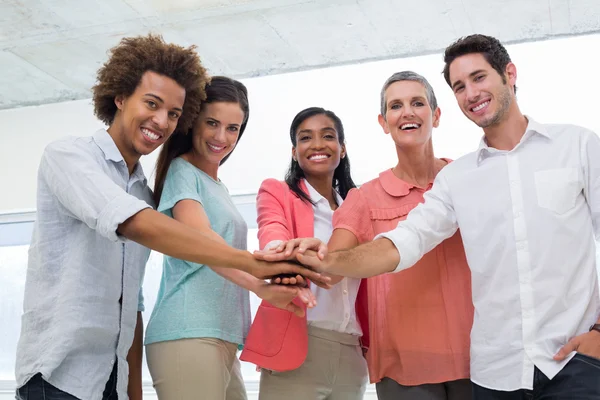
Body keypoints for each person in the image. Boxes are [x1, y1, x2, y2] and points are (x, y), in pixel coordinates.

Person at [259, 34, 600, 399]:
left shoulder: (577, 146)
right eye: (459, 86)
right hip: (495, 373)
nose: (471, 93)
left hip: (573, 365)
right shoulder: (457, 180)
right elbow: (403, 242)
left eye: (479, 78)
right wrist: (323, 257)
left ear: (509, 74)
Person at [15, 35, 329, 400]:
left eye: (174, 113)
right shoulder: (68, 157)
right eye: (151, 103)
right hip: (57, 374)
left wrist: (131, 390)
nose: (161, 121)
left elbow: (129, 303)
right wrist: (256, 268)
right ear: (119, 97)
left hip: (109, 378)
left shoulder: (144, 193)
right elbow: (134, 221)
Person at [144, 77, 316, 400]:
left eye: (233, 128)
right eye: (212, 123)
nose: (221, 137)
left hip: (220, 336)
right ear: (193, 120)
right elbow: (204, 243)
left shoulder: (217, 187)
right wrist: (260, 284)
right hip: (188, 330)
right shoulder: (182, 172)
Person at [323, 71, 472, 400]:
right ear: (383, 121)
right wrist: (305, 255)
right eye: (396, 106)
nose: (407, 112)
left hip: (479, 357)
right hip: (404, 366)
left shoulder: (469, 179)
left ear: (436, 115)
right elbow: (331, 267)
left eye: (417, 103)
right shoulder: (364, 199)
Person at [240, 107, 369, 400]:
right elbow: (272, 233)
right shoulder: (278, 192)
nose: (318, 144)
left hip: (352, 350)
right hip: (299, 343)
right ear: (295, 151)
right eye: (306, 138)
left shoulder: (358, 206)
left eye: (328, 136)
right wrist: (281, 254)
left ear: (342, 148)